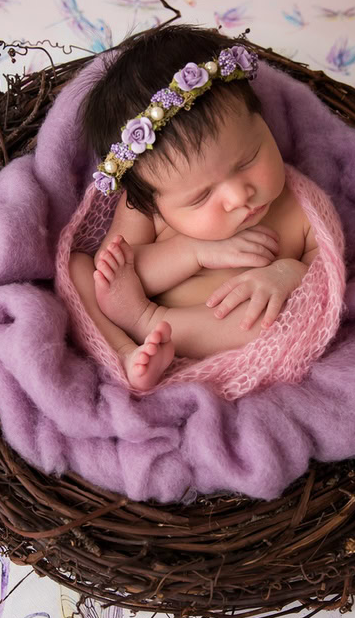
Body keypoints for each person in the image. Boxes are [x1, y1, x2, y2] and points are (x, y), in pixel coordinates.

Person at [69, 24, 321, 390]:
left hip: (232, 340)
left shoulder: (300, 208)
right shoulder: (144, 210)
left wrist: (287, 273)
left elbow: (324, 278)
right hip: (140, 335)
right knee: (79, 269)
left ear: (263, 122)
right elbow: (118, 273)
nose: (238, 196)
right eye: (201, 197)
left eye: (248, 160)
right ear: (152, 200)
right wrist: (194, 251)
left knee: (267, 320)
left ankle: (146, 322)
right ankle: (125, 350)